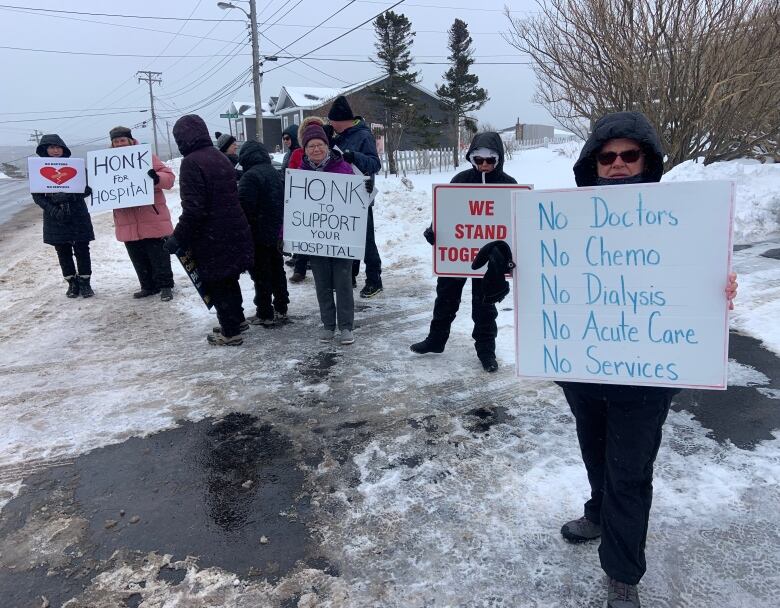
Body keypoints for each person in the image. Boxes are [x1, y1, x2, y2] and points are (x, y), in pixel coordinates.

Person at [559, 111, 738, 608]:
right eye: (607, 156)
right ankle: (598, 513)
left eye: (629, 156)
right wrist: (507, 257)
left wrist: (720, 289)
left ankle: (622, 573)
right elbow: (543, 260)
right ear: (593, 162)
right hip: (584, 367)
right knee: (596, 454)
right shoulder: (567, 216)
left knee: (630, 471)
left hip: (646, 377)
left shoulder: (678, 216)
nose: (617, 165)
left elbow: (700, 273)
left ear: (648, 160)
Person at [409, 132, 517, 373]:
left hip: (489, 259)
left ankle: (486, 350)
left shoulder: (509, 185)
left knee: (485, 305)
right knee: (446, 297)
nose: (485, 166)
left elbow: (516, 223)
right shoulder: (460, 179)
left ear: (499, 159)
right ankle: (436, 340)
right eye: (479, 160)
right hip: (457, 254)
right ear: (471, 159)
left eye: (490, 161)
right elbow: (447, 211)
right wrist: (433, 231)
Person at [167, 114, 254, 345]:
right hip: (233, 228)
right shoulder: (218, 156)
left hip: (212, 236)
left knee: (218, 282)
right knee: (229, 279)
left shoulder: (191, 163)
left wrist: (178, 237)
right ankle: (237, 320)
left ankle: (230, 332)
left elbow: (195, 209)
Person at [297, 121, 356, 344]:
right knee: (322, 283)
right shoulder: (300, 175)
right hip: (316, 239)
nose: (316, 149)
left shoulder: (343, 168)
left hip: (342, 238)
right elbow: (294, 207)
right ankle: (328, 325)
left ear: (327, 145)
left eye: (320, 144)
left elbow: (359, 202)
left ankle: (346, 326)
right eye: (311, 146)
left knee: (342, 282)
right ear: (305, 150)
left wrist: (366, 189)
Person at [109, 126, 176, 301]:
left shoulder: (145, 157)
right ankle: (147, 286)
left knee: (158, 254)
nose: (119, 144)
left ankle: (166, 286)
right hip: (126, 219)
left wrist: (156, 178)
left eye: (122, 140)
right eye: (116, 142)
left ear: (130, 140)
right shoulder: (106, 163)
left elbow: (169, 177)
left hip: (151, 216)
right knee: (137, 256)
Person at [327, 95, 383, 298]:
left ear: (341, 120)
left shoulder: (363, 136)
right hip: (342, 196)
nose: (330, 124)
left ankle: (374, 280)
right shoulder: (337, 135)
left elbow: (375, 164)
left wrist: (354, 156)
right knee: (347, 239)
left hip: (360, 196)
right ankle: (350, 275)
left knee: (366, 241)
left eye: (331, 121)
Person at [31, 134, 95, 298]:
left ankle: (85, 283)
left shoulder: (77, 166)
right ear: (45, 149)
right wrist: (53, 209)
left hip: (78, 215)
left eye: (58, 147)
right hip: (55, 218)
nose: (55, 150)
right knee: (63, 251)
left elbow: (88, 189)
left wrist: (71, 196)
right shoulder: (38, 169)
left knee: (82, 249)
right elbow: (37, 196)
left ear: (64, 148)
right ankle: (72, 283)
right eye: (51, 147)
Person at [237, 140, 289, 326]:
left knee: (261, 275)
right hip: (275, 231)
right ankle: (281, 307)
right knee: (277, 270)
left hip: (257, 233)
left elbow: (244, 208)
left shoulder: (249, 177)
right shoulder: (274, 173)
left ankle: (265, 312)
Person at [288, 117, 331, 284]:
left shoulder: (330, 154)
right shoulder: (298, 154)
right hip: (305, 202)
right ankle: (300, 268)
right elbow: (291, 175)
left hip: (327, 205)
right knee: (305, 236)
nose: (316, 148)